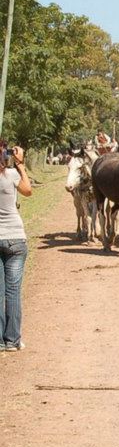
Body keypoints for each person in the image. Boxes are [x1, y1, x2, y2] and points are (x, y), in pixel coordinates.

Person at [0, 141, 32, 352]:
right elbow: (28, 190)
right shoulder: (10, 174)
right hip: (15, 239)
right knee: (13, 291)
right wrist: (20, 164)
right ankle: (12, 340)